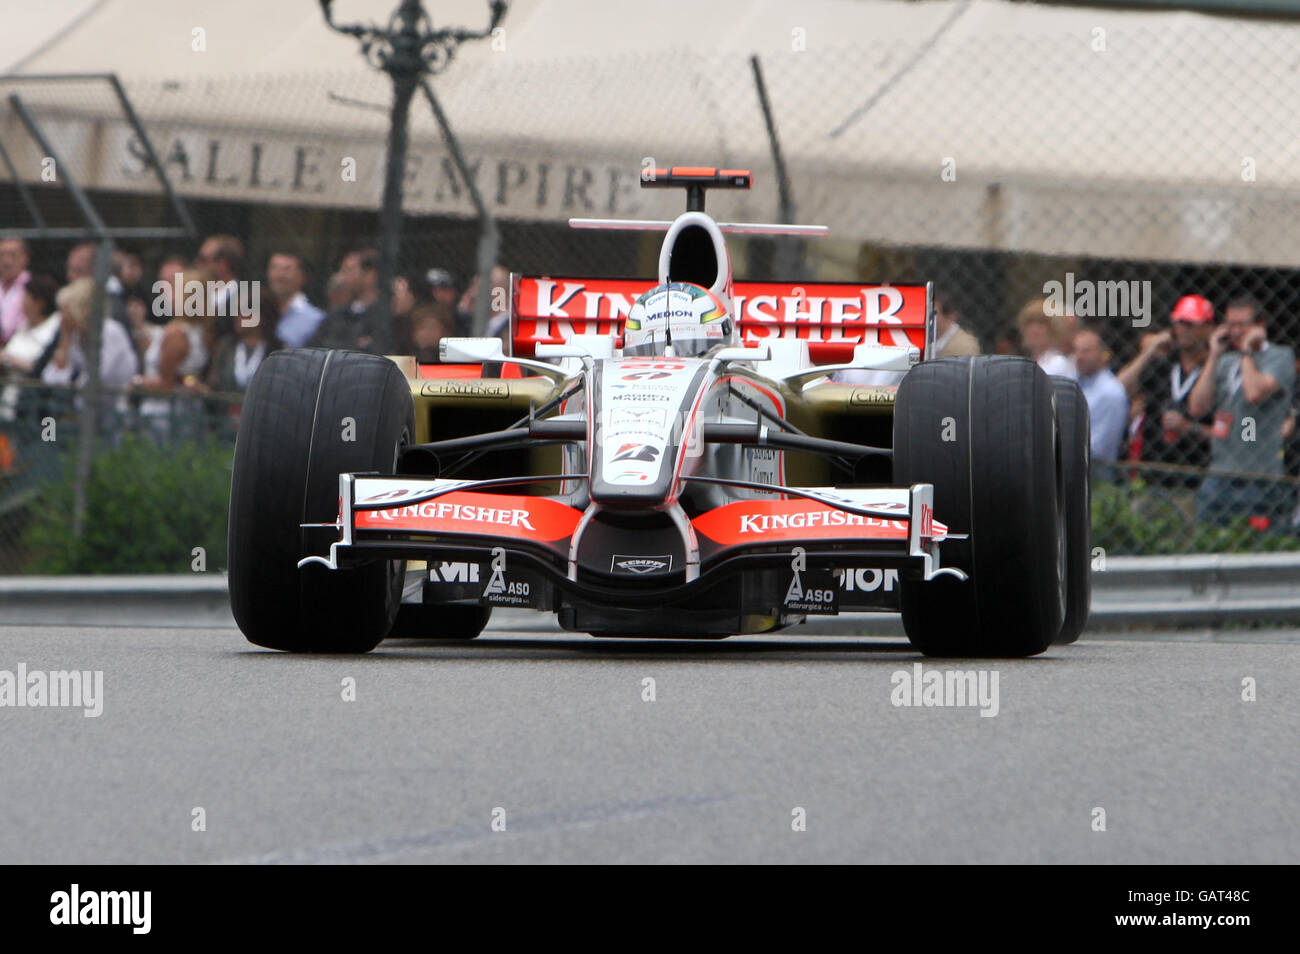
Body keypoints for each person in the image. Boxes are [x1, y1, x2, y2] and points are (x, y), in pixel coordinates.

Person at [1188, 296, 1297, 527]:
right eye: (1230, 324)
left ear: (1260, 325)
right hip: (1220, 472)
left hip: (1259, 476)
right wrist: (1214, 355)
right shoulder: (1227, 361)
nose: (1235, 331)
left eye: (1242, 324)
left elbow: (1254, 393)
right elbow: (1197, 407)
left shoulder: (1279, 356)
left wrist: (1248, 351)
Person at [1116, 294, 1214, 493]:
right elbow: (1118, 390)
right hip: (1152, 472)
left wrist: (1188, 427)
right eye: (1180, 323)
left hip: (1195, 475)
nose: (1184, 330)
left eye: (1192, 324)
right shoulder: (1164, 363)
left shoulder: (1214, 369)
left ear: (1208, 328)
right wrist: (1148, 352)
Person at [38, 278, 138, 391]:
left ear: (81, 309)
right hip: (82, 404)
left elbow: (97, 377)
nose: (62, 316)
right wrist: (65, 339)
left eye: (66, 310)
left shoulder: (111, 331)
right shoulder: (74, 334)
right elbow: (51, 380)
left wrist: (72, 384)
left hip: (115, 404)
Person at [314, 248, 390, 353]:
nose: (342, 277)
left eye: (348, 271)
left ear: (369, 275)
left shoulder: (385, 315)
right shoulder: (336, 314)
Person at [1072, 326, 1128, 463]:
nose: (1079, 356)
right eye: (1076, 351)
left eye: (1085, 351)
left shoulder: (1111, 392)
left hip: (1097, 477)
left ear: (1104, 354)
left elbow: (1099, 448)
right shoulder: (1076, 383)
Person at [1, 274, 61, 376]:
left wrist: (9, 360)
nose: (22, 303)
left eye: (26, 298)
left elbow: (41, 367)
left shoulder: (56, 328)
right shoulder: (24, 325)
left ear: (40, 303)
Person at [267, 252, 325, 349]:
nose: (279, 275)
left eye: (287, 269)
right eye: (274, 268)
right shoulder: (258, 312)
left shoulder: (316, 319)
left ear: (302, 277)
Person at [1016, 298, 1076, 378]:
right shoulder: (1026, 364)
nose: (1035, 329)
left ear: (1053, 329)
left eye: (1041, 324)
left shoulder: (1059, 364)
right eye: (1030, 323)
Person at [0, 238, 32, 346]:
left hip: (21, 347)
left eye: (13, 255)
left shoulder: (32, 287)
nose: (6, 261)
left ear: (25, 258)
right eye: (1, 255)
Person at [931, 290, 980, 358]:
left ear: (950, 316)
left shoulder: (965, 346)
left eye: (934, 314)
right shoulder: (932, 340)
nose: (929, 318)